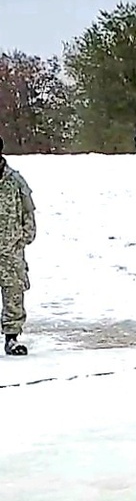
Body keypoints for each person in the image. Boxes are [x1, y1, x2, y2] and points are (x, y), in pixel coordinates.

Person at [0, 136, 36, 356]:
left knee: (14, 293)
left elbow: (27, 210)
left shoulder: (14, 181)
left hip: (10, 249)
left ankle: (11, 338)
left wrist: (24, 237)